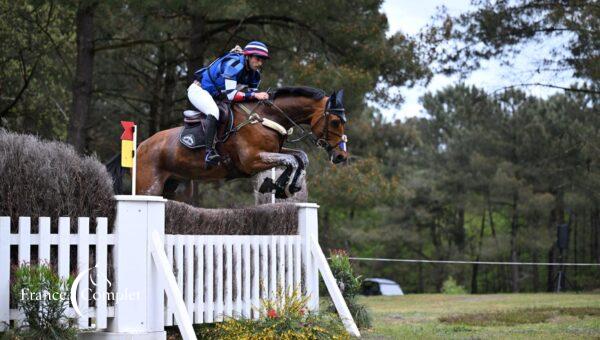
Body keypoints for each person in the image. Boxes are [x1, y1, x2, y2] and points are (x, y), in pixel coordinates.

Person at [188, 41, 270, 168]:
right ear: (248, 56)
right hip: (199, 91)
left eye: (262, 60)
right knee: (213, 112)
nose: (260, 63)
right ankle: (209, 152)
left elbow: (252, 99)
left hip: (218, 96)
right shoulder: (234, 65)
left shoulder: (255, 75)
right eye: (258, 58)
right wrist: (255, 95)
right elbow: (232, 95)